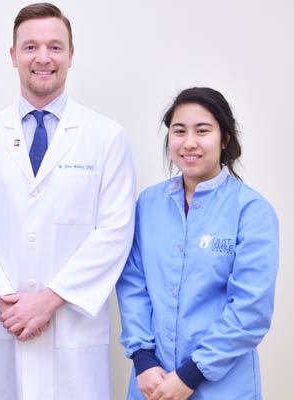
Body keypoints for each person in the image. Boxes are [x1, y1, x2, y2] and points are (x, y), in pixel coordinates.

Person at [0, 3, 136, 399]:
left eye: (55, 47)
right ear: (13, 55)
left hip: (72, 328)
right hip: (2, 324)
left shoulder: (106, 137)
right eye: (30, 47)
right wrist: (6, 301)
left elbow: (115, 231)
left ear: (71, 55)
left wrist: (50, 300)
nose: (43, 58)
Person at [116, 87, 279, 400]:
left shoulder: (251, 211)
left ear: (225, 138)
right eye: (179, 131)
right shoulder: (148, 204)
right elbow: (133, 284)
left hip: (222, 386)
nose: (189, 142)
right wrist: (143, 360)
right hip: (152, 382)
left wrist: (190, 374)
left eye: (202, 131)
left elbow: (251, 309)